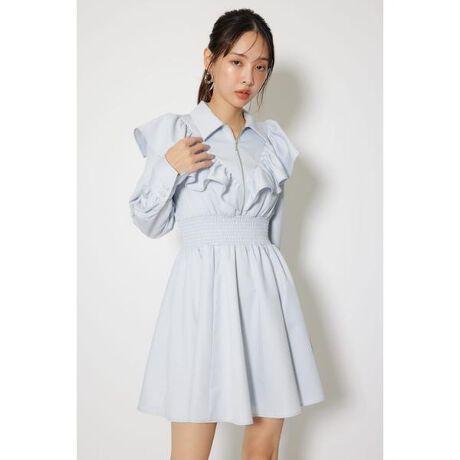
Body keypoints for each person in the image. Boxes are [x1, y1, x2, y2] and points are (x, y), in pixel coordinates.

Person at [129, 8, 325, 460]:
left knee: (263, 448)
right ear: (210, 59)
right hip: (202, 295)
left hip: (265, 293)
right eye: (236, 61)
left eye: (261, 67)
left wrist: (275, 294)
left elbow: (273, 232)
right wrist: (169, 168)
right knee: (190, 452)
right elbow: (148, 222)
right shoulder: (177, 133)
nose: (248, 78)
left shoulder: (271, 142)